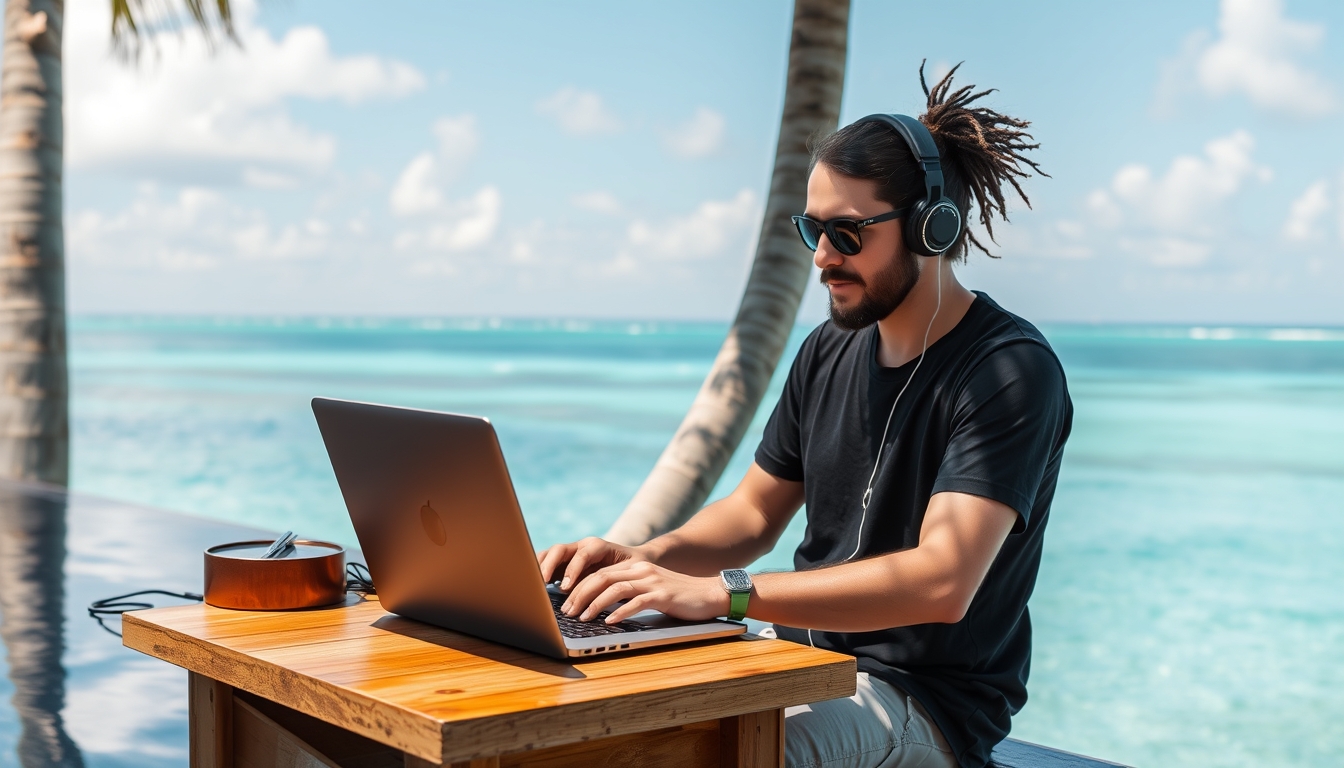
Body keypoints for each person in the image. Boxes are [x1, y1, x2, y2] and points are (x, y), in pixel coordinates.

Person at [537, 64, 1072, 768]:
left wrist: (726, 598)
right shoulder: (829, 349)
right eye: (811, 229)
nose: (821, 257)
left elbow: (944, 581)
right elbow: (754, 515)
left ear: (930, 229)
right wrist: (642, 562)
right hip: (796, 664)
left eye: (847, 233)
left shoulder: (1008, 372)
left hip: (921, 704)